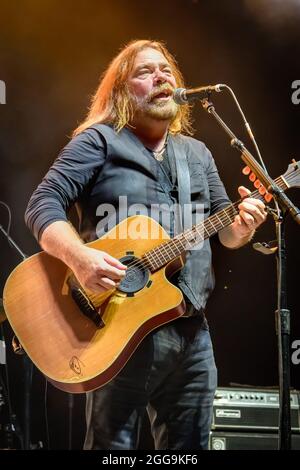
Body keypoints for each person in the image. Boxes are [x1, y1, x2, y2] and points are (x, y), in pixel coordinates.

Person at [25, 39, 267, 450]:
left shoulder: (197, 153)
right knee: (111, 449)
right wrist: (79, 257)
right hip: (117, 328)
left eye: (166, 71)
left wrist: (246, 224)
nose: (161, 77)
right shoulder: (98, 141)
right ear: (120, 91)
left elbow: (226, 230)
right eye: (145, 72)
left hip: (191, 330)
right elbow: (41, 204)